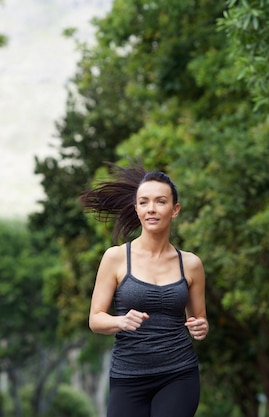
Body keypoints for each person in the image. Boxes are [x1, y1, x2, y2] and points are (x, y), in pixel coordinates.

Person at [79, 163, 209, 417]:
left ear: (175, 210)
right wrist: (121, 321)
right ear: (136, 208)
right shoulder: (116, 258)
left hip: (178, 373)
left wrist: (202, 327)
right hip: (128, 377)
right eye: (144, 202)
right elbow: (95, 320)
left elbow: (199, 320)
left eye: (161, 202)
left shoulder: (191, 264)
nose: (152, 208)